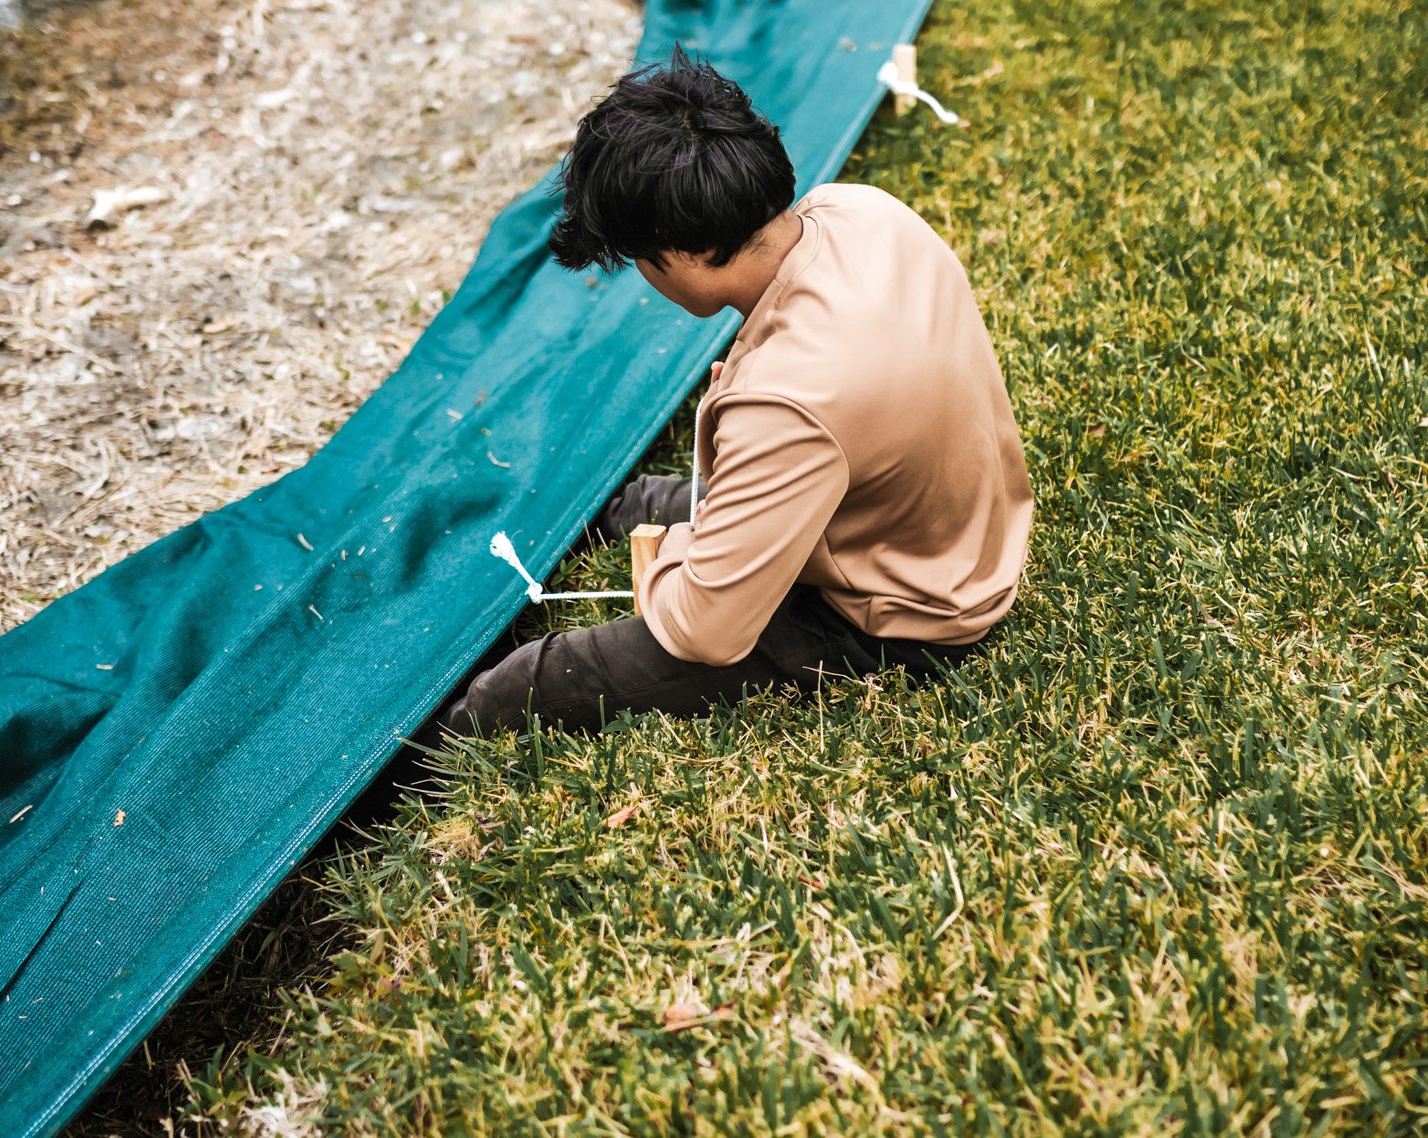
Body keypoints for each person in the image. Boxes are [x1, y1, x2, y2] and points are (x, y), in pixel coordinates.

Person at [440, 47, 1032, 735]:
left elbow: (704, 633)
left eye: (639, 260)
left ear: (680, 251)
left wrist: (677, 551)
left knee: (529, 682)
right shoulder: (861, 212)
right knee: (639, 503)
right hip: (937, 524)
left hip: (908, 611)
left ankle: (427, 754)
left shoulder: (788, 401)